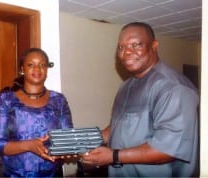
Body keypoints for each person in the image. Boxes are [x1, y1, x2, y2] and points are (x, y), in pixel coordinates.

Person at [81, 22, 199, 177]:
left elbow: (167, 149)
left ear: (154, 46)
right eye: (121, 47)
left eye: (135, 45)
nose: (126, 52)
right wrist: (74, 141)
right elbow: (117, 128)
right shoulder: (126, 86)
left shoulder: (173, 87)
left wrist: (112, 156)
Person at [0, 47, 73, 177]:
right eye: (31, 65)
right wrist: (29, 145)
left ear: (46, 69)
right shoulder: (6, 100)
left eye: (42, 65)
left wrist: (70, 148)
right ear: (22, 69)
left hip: (52, 173)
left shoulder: (59, 100)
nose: (37, 69)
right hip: (15, 175)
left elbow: (67, 138)